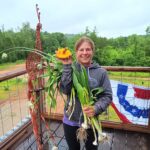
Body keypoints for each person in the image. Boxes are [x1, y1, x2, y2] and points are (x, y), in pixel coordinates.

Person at [59, 36, 112, 150]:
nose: (85, 53)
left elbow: (107, 96)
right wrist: (67, 67)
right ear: (76, 52)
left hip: (91, 122)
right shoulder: (71, 68)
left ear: (92, 51)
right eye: (81, 50)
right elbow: (65, 90)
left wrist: (96, 108)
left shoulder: (101, 72)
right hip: (70, 120)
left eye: (88, 49)